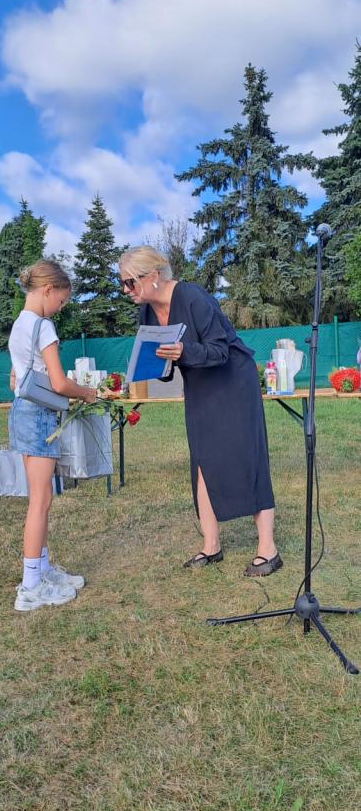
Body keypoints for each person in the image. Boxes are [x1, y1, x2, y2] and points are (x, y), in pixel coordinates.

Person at [118, 247, 282, 576]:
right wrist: (147, 367)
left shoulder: (193, 297)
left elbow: (220, 349)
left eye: (130, 282)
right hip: (199, 386)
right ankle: (211, 546)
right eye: (122, 283)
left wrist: (182, 351)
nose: (126, 290)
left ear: (153, 276)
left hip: (232, 381)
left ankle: (268, 550)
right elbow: (164, 363)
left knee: (247, 457)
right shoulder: (147, 312)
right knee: (202, 460)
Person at [8, 259, 97, 612]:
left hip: (22, 411)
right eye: (61, 300)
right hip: (40, 416)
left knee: (38, 497)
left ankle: (41, 570)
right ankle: (31, 586)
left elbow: (14, 379)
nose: (61, 307)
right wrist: (86, 392)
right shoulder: (43, 326)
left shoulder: (19, 324)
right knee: (41, 501)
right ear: (48, 290)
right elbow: (59, 383)